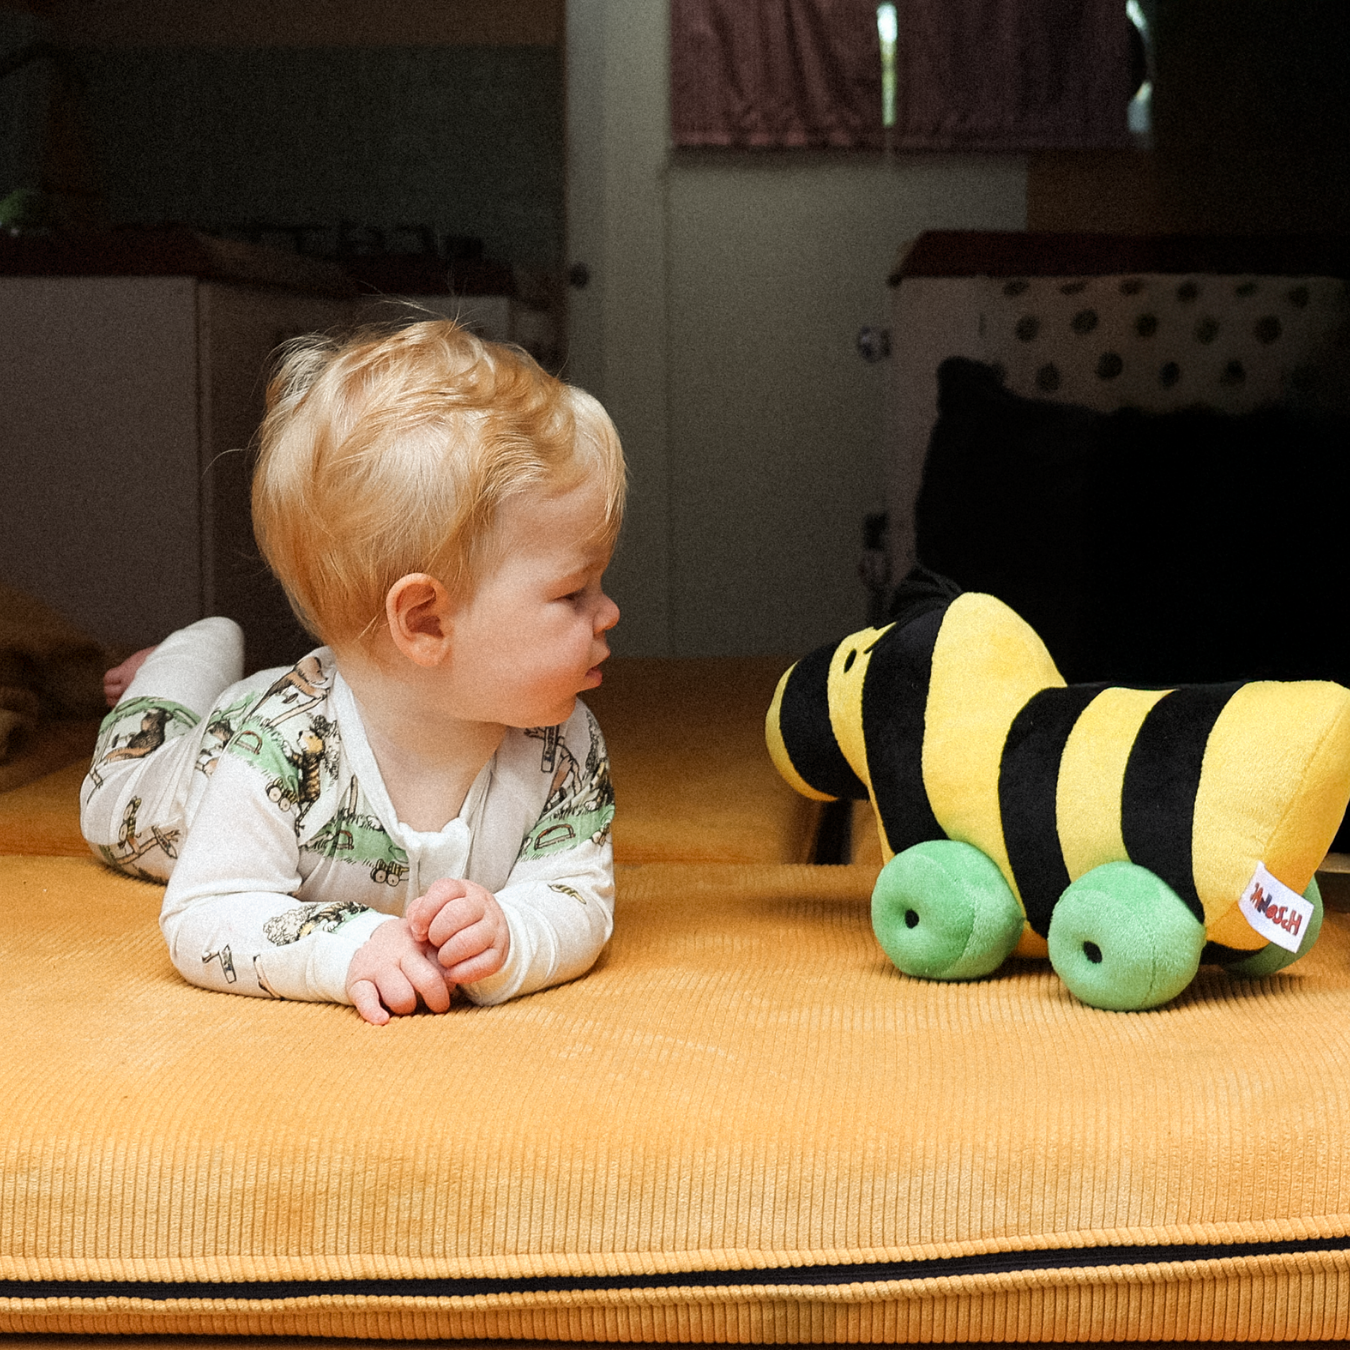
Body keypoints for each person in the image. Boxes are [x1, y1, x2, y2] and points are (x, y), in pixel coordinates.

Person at [82, 320, 625, 1026]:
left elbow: (576, 893)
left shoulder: (564, 743)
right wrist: (346, 946)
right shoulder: (275, 750)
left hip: (285, 702)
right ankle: (181, 660)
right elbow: (203, 914)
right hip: (208, 757)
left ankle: (208, 651)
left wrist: (510, 935)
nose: (609, 612)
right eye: (573, 593)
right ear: (426, 622)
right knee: (113, 792)